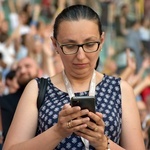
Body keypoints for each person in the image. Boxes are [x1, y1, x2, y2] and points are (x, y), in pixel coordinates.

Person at [3, 5, 145, 150]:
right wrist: (57, 132)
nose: (80, 56)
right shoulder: (37, 89)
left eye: (90, 44)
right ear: (55, 45)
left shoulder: (120, 89)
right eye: (70, 46)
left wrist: (103, 143)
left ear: (102, 41)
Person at [0, 57, 41, 143]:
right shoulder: (5, 101)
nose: (22, 71)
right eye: (18, 69)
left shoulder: (50, 96)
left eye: (27, 66)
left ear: (39, 71)